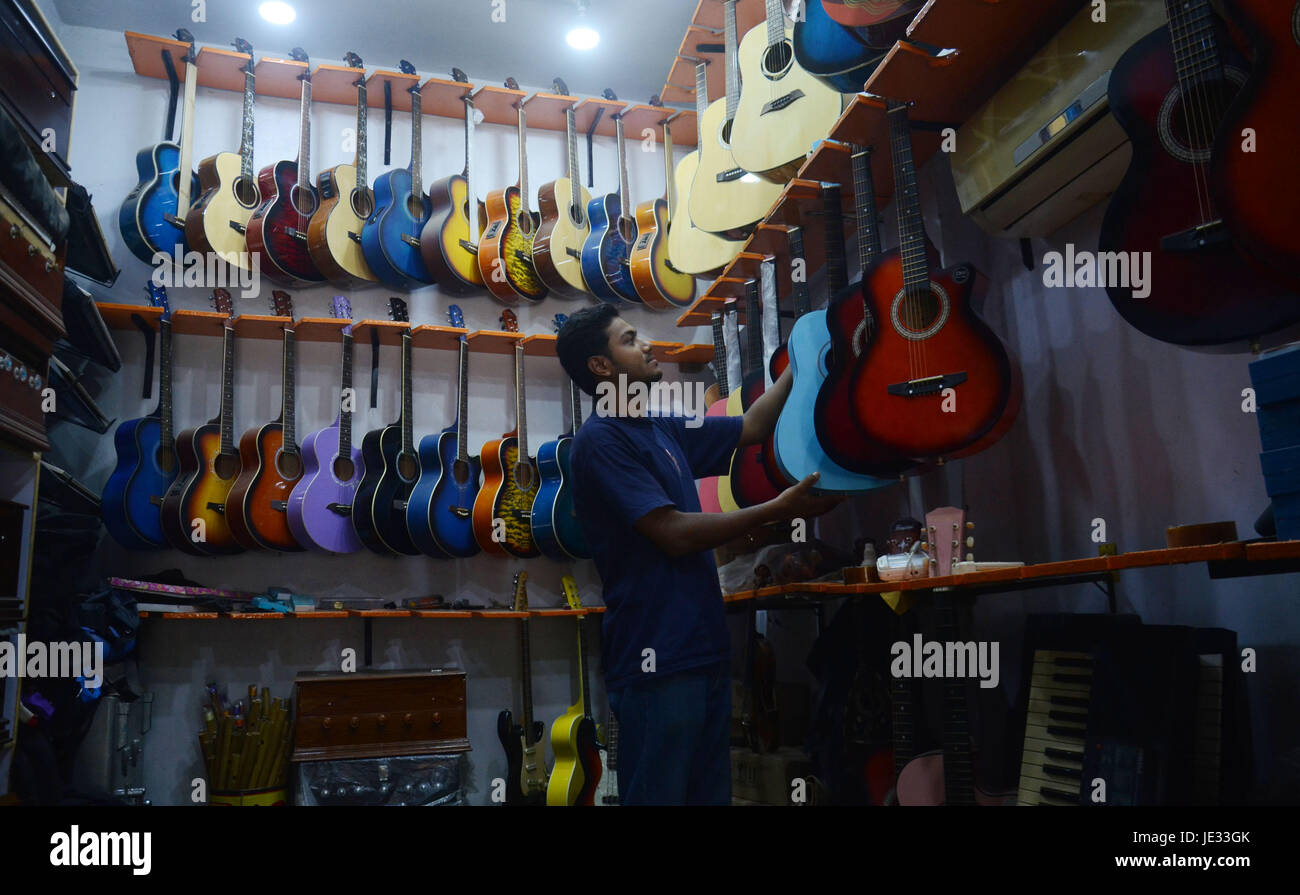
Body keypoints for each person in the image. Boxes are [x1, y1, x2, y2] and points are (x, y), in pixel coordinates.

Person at [556, 305, 841, 805]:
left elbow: (751, 426)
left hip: (704, 651)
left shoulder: (660, 425)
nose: (647, 344)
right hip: (657, 662)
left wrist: (803, 359)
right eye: (628, 339)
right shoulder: (600, 442)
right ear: (601, 367)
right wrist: (776, 510)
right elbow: (672, 532)